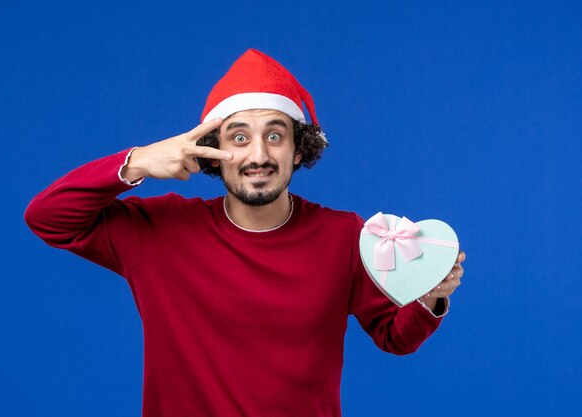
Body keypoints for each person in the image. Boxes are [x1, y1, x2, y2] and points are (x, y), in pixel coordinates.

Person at [25, 49, 465, 417]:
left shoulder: (345, 237)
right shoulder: (158, 232)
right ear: (213, 152)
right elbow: (47, 216)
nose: (258, 154)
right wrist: (136, 162)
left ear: (299, 150)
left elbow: (394, 336)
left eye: (275, 135)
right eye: (239, 138)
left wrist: (431, 297)